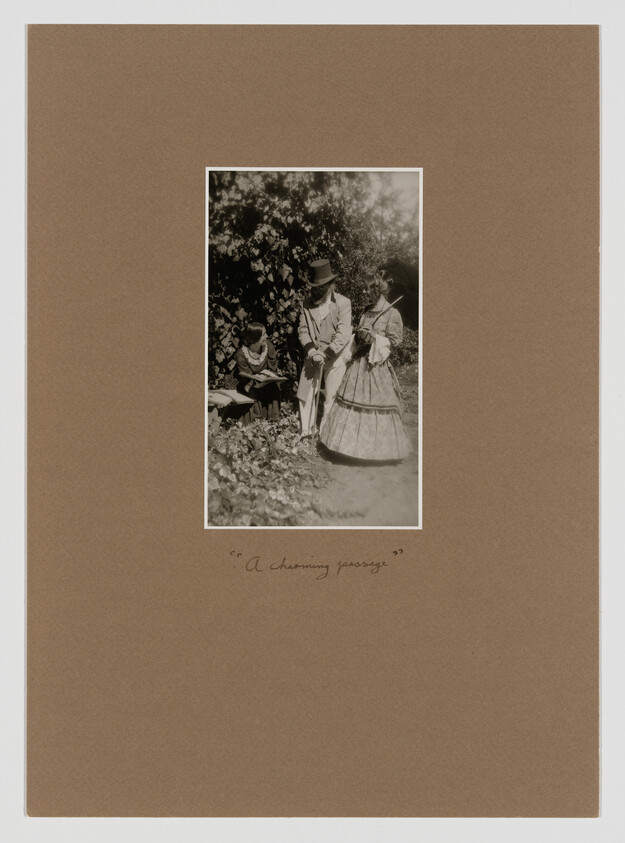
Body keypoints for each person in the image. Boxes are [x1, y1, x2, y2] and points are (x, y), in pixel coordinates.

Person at [319, 271, 412, 461]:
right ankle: (347, 449)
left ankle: (377, 453)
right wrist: (361, 335)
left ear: (378, 290)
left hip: (377, 366)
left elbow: (394, 342)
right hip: (359, 364)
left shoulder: (392, 313)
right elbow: (359, 339)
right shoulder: (366, 311)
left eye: (369, 290)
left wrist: (375, 336)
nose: (365, 293)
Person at [297, 259, 352, 438]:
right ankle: (307, 432)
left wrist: (325, 354)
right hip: (313, 356)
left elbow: (343, 333)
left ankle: (326, 436)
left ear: (331, 285)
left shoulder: (343, 303)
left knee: (331, 397)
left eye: (321, 287)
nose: (317, 290)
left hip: (334, 358)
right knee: (304, 394)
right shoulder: (306, 304)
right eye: (314, 286)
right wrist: (313, 351)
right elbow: (303, 329)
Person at [230, 322, 281, 425]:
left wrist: (266, 376)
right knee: (252, 393)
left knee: (274, 387)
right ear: (255, 338)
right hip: (249, 383)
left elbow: (272, 367)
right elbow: (246, 376)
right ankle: (255, 422)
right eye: (263, 334)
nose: (266, 336)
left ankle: (273, 421)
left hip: (266, 381)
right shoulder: (241, 354)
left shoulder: (269, 346)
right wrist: (256, 379)